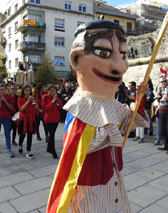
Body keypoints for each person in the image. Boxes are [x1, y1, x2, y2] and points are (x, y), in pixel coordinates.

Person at [47, 20, 150, 213]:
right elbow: (78, 151)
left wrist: (140, 98)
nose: (122, 66)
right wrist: (110, 130)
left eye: (123, 55)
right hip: (90, 182)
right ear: (77, 59)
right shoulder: (80, 106)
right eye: (104, 53)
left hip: (111, 175)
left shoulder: (111, 104)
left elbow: (129, 121)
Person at [0, 84, 15, 157]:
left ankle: (9, 149)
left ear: (6, 89)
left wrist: (5, 101)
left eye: (3, 89)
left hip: (7, 118)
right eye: (0, 90)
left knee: (7, 134)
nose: (1, 91)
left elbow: (12, 108)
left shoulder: (9, 97)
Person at [17, 85, 39, 158]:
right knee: (22, 135)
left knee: (30, 135)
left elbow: (37, 108)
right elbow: (21, 109)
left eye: (29, 90)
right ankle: (20, 145)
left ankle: (28, 150)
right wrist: (27, 101)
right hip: (24, 119)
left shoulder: (33, 98)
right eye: (26, 90)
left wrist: (33, 101)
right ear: (23, 91)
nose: (28, 92)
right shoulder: (20, 99)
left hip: (31, 119)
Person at [42, 85, 63, 159]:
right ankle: (53, 151)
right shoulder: (44, 97)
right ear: (47, 91)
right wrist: (52, 102)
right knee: (52, 135)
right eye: (51, 90)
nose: (52, 92)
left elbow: (60, 106)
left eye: (54, 90)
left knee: (52, 134)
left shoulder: (56, 97)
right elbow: (45, 109)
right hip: (48, 119)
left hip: (56, 119)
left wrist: (56, 101)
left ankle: (48, 148)